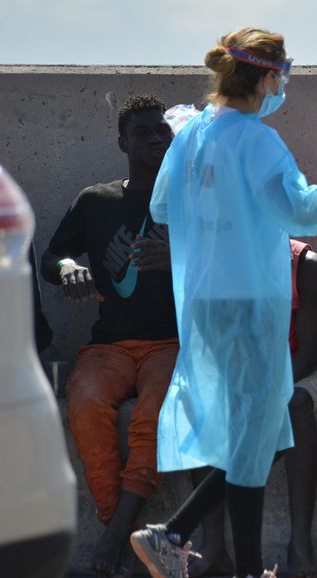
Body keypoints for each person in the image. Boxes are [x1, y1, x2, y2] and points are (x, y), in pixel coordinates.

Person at [128, 27, 317, 578]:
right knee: (254, 436)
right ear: (268, 75)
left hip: (204, 305)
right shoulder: (256, 141)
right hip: (248, 305)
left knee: (251, 439)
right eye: (286, 72)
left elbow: (163, 207)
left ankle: (230, 560)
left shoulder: (194, 134)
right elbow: (305, 213)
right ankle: (174, 534)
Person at [41, 94, 178, 578]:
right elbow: (51, 260)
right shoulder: (96, 201)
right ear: (123, 142)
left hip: (173, 344)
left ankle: (114, 538)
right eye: (144, 132)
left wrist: (178, 261)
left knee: (153, 417)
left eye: (163, 130)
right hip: (110, 345)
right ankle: (115, 527)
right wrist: (70, 267)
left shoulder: (190, 199)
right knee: (85, 403)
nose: (157, 138)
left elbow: (226, 265)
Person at [189, 240, 317, 578]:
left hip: (315, 359)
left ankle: (300, 548)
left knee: (295, 403)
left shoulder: (306, 266)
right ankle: (214, 548)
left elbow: (307, 356)